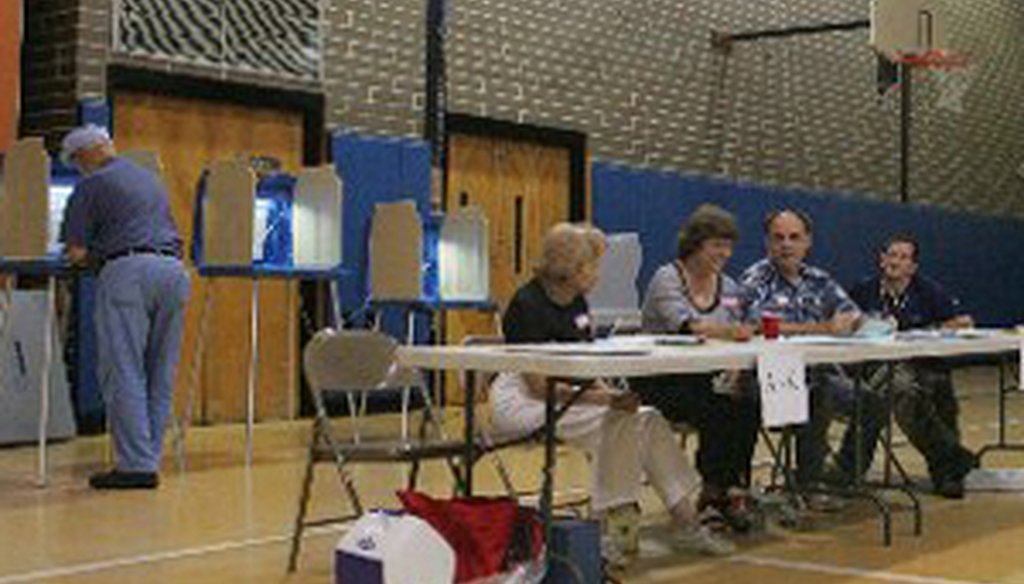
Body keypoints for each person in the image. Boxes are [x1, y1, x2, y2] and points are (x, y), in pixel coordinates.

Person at [491, 223, 734, 564]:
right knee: (617, 419)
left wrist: (610, 394)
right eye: (592, 265)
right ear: (571, 268)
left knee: (646, 417)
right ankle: (609, 529)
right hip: (523, 399)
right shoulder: (527, 304)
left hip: (571, 392)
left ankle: (686, 520)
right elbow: (537, 385)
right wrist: (608, 400)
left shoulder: (577, 303)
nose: (597, 273)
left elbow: (585, 366)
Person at [60, 125, 190, 490]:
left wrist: (87, 255)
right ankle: (148, 458)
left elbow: (77, 253)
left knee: (124, 368)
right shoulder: (148, 178)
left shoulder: (90, 185)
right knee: (160, 370)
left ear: (82, 155)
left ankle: (135, 466)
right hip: (173, 272)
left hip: (128, 273)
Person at [630, 204, 760, 532]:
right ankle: (714, 490)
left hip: (706, 375)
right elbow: (687, 326)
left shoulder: (728, 286)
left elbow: (738, 323)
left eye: (728, 245)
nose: (724, 253)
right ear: (695, 243)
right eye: (717, 244)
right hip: (660, 379)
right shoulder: (667, 278)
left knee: (748, 403)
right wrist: (733, 333)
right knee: (717, 408)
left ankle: (728, 488)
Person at [740, 209, 882, 489]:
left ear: (808, 242)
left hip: (824, 372)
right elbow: (758, 327)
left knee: (873, 403)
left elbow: (852, 315)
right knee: (818, 393)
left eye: (794, 237)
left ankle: (844, 473)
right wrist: (825, 328)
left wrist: (862, 322)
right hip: (771, 380)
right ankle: (808, 482)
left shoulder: (819, 280)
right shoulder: (756, 280)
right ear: (767, 243)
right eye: (778, 238)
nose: (786, 245)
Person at [847, 234, 977, 498]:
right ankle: (952, 459)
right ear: (881, 259)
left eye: (903, 257)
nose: (895, 261)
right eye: (891, 255)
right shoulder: (863, 290)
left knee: (907, 388)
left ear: (913, 267)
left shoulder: (929, 291)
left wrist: (927, 329)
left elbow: (961, 322)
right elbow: (845, 321)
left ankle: (848, 468)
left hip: (922, 362)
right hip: (876, 363)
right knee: (898, 385)